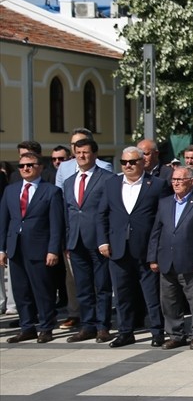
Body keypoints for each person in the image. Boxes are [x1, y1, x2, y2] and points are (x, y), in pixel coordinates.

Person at [100, 146, 169, 347]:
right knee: (122, 294)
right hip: (118, 249)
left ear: (142, 162)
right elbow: (102, 214)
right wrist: (103, 241)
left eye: (132, 162)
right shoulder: (111, 184)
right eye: (124, 162)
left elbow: (162, 218)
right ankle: (125, 332)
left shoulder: (156, 185)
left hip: (146, 250)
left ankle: (157, 331)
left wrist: (157, 249)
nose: (128, 166)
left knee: (152, 294)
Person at [148, 167, 193, 349]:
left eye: (180, 179)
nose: (176, 183)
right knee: (169, 301)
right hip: (166, 261)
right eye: (174, 180)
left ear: (192, 181)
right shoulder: (165, 203)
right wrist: (152, 257)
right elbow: (156, 231)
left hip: (191, 262)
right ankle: (175, 334)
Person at [1, 153, 64, 343]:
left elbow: (56, 224)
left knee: (42, 290)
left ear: (40, 167)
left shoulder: (51, 191)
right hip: (16, 247)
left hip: (39, 248)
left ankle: (46, 327)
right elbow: (3, 222)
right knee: (20, 290)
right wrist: (2, 249)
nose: (25, 169)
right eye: (21, 166)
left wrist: (53, 249)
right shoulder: (10, 191)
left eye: (30, 165)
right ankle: (27, 326)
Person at [62, 138, 114, 342]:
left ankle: (103, 326)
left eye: (85, 152)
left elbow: (110, 211)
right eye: (78, 152)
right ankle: (87, 325)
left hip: (98, 241)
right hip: (75, 241)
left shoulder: (107, 179)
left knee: (102, 286)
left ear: (94, 154)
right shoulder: (69, 182)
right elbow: (68, 212)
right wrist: (66, 241)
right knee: (82, 286)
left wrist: (106, 239)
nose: (81, 156)